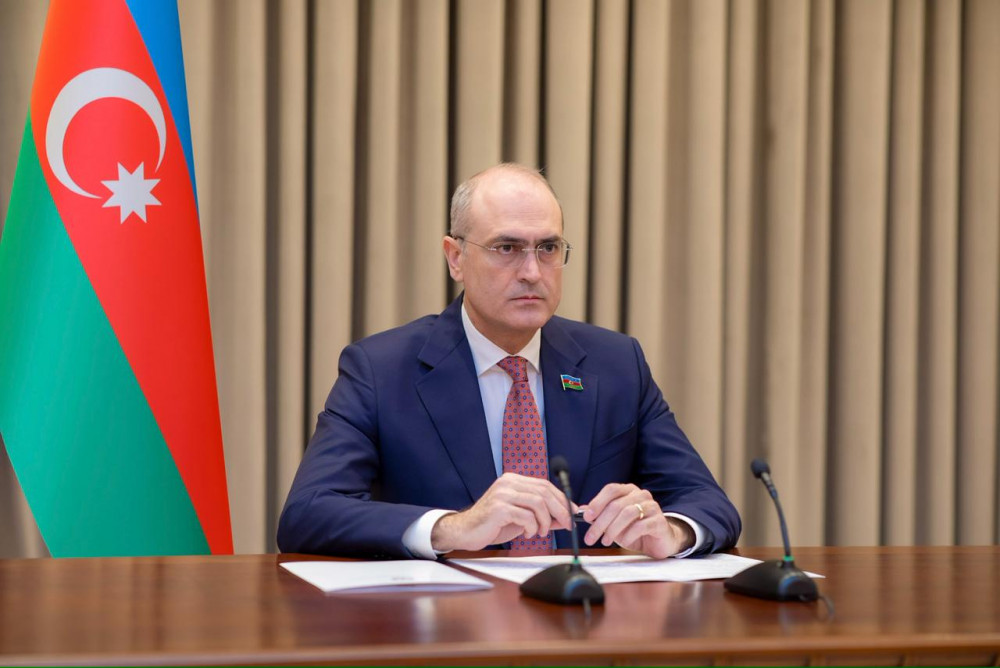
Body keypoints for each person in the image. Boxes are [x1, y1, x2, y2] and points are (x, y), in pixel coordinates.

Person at [277, 163, 740, 560]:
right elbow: (309, 512)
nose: (532, 272)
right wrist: (453, 528)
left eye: (548, 248)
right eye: (507, 248)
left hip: (584, 618)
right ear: (456, 258)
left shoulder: (616, 363)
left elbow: (707, 501)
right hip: (446, 623)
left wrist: (671, 531)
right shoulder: (381, 369)